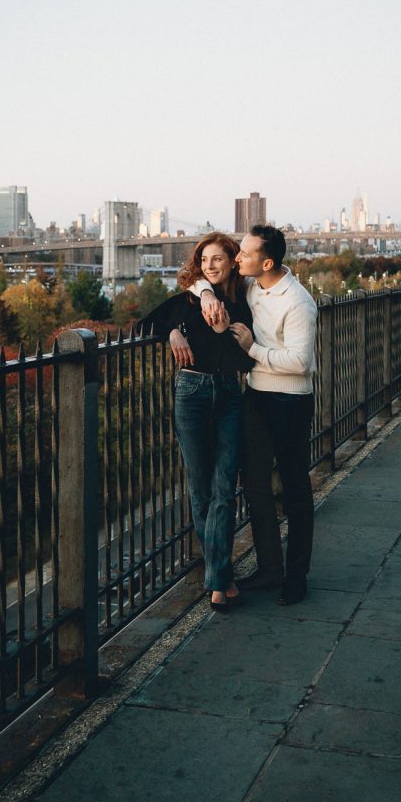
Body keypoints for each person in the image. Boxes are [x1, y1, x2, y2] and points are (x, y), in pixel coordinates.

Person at [196, 225, 318, 606]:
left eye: (244, 255)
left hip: (291, 402)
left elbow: (301, 363)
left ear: (266, 262)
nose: (236, 259)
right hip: (257, 398)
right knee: (255, 487)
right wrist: (201, 295)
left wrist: (254, 350)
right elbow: (197, 277)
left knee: (295, 489)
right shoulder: (250, 286)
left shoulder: (299, 303)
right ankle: (269, 568)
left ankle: (296, 576)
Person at [139, 234, 254, 613]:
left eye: (218, 259)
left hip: (229, 395)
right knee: (200, 485)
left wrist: (226, 334)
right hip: (190, 393)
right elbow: (146, 324)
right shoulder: (189, 299)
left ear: (232, 261)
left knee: (224, 486)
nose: (210, 266)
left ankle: (217, 578)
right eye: (205, 259)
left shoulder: (242, 304)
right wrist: (171, 331)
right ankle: (222, 579)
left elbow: (242, 366)